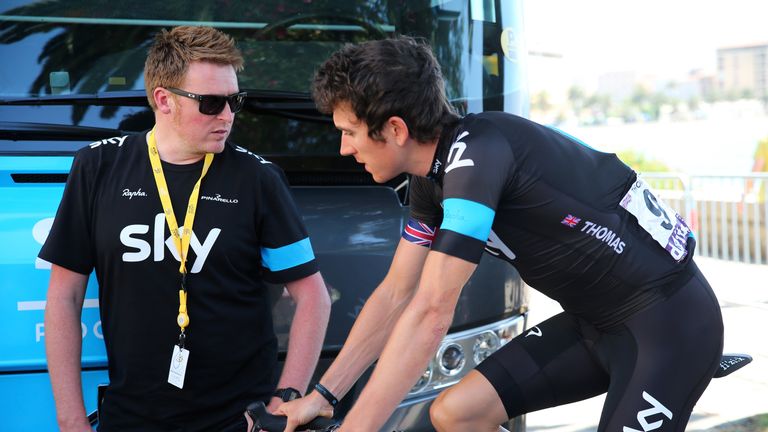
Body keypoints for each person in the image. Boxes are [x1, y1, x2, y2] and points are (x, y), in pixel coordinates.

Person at [275, 36, 724, 432]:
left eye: (350, 132)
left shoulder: (479, 155)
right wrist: (324, 396)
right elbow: (395, 294)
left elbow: (432, 311)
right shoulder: (430, 180)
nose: (344, 147)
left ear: (395, 129)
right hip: (594, 324)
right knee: (457, 414)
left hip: (669, 326)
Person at [40, 26, 331, 432]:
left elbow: (313, 297)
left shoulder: (258, 178)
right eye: (212, 103)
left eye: (235, 101)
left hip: (238, 420)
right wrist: (71, 419)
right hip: (130, 418)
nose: (227, 116)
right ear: (164, 100)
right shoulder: (98, 167)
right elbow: (64, 296)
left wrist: (284, 402)